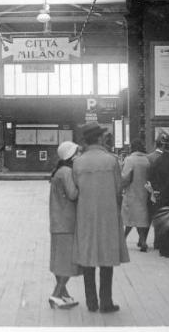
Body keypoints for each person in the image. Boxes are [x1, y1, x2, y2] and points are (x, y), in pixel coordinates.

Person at [71, 122, 129, 313]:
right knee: (106, 259)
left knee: (88, 259)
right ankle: (106, 302)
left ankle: (91, 302)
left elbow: (74, 191)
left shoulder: (78, 162)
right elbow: (119, 188)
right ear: (99, 138)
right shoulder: (111, 160)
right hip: (108, 216)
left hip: (85, 216)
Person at [48, 141, 81, 309]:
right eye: (77, 152)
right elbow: (73, 194)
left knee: (59, 261)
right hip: (67, 222)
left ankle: (65, 295)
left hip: (57, 222)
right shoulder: (67, 172)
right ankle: (56, 295)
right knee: (68, 262)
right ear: (72, 155)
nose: (79, 155)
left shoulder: (58, 172)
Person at [121, 139, 151, 252]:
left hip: (132, 191)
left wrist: (122, 186)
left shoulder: (129, 159)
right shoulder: (147, 160)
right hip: (145, 192)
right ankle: (142, 240)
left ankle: (124, 240)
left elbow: (125, 177)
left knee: (130, 217)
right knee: (141, 217)